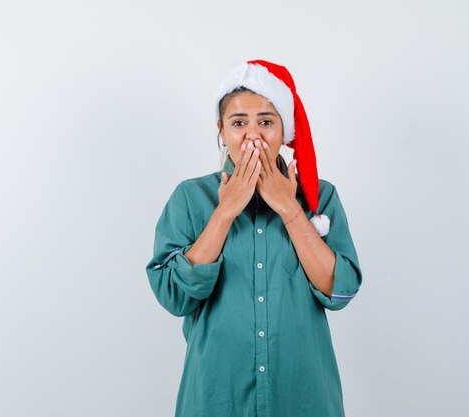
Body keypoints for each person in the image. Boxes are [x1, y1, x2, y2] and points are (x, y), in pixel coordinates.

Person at [145, 59, 363, 417]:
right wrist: (225, 212)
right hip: (216, 398)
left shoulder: (319, 198)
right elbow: (173, 297)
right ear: (221, 130)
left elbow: (340, 292)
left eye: (266, 122)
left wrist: (288, 208)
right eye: (238, 123)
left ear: (283, 130)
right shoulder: (189, 198)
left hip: (303, 398)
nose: (253, 136)